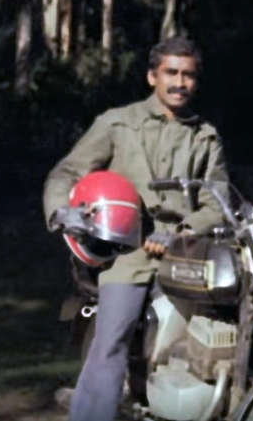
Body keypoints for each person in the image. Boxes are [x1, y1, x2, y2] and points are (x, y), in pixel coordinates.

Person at [42, 36, 230, 421]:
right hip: (129, 253)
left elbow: (217, 202)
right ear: (152, 77)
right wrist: (63, 211)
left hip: (185, 251)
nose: (180, 83)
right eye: (171, 73)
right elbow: (68, 171)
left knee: (218, 329)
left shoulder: (205, 136)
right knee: (111, 342)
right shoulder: (117, 123)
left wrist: (183, 231)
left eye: (189, 75)